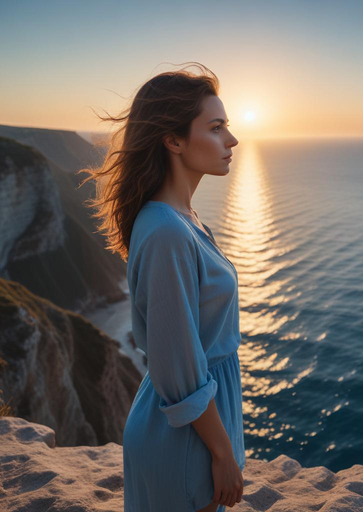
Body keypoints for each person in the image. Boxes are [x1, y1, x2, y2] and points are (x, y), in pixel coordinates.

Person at [78, 62, 244, 511]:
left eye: (226, 126)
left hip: (197, 430)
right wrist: (222, 452)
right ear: (173, 140)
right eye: (216, 127)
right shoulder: (168, 231)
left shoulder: (184, 221)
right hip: (185, 439)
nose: (231, 140)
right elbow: (177, 366)